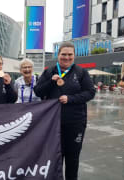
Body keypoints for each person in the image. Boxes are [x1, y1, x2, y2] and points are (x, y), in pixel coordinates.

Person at [34, 42, 95, 180]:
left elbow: (90, 93)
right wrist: (51, 81)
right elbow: (38, 91)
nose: (66, 57)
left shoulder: (81, 72)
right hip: (53, 124)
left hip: (75, 122)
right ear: (58, 55)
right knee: (55, 158)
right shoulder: (49, 71)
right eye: (63, 54)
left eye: (70, 55)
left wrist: (70, 98)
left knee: (73, 158)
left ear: (74, 56)